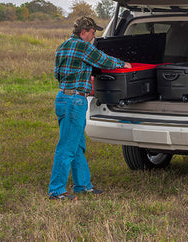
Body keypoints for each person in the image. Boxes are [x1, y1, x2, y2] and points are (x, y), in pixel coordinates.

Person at [48, 16, 131, 200]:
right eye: (93, 33)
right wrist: (122, 64)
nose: (94, 37)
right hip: (75, 101)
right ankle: (56, 190)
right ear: (84, 32)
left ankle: (83, 186)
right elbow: (104, 61)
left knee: (77, 145)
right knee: (67, 147)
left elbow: (57, 74)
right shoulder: (84, 47)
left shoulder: (62, 47)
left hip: (62, 97)